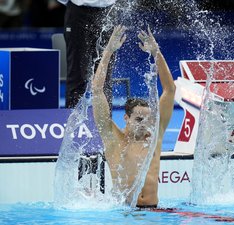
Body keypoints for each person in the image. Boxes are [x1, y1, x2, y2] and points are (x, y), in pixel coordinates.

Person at [92, 25, 175, 207]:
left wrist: (156, 53)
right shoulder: (113, 139)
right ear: (126, 118)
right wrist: (108, 52)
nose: (144, 124)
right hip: (126, 214)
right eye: (138, 119)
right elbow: (97, 91)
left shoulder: (155, 138)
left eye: (147, 119)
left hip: (154, 212)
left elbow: (169, 91)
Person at [56, 0, 116, 108]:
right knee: (76, 74)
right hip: (78, 12)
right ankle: (72, 122)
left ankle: (104, 123)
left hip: (108, 12)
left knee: (104, 75)